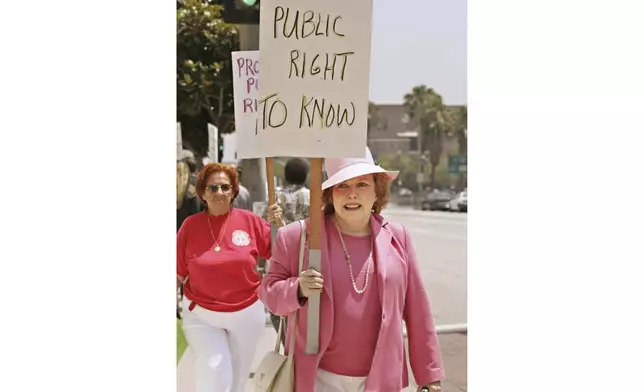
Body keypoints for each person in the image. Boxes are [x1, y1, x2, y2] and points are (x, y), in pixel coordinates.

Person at [259, 147, 445, 391]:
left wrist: (429, 373)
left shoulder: (398, 237)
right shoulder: (296, 237)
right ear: (329, 194)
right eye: (342, 186)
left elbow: (417, 309)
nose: (352, 195)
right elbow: (268, 294)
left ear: (377, 191)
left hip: (380, 379)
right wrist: (298, 289)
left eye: (362, 185)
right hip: (318, 379)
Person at [177, 162, 284, 392]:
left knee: (236, 379)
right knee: (214, 368)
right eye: (212, 188)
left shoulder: (250, 221)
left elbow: (279, 253)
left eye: (225, 187)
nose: (219, 193)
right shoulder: (189, 226)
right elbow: (177, 271)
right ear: (202, 193)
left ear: (234, 191)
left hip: (246, 311)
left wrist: (278, 226)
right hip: (202, 314)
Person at [265, 158, 311, 346]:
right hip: (306, 257)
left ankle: (286, 343)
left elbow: (264, 227)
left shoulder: (274, 198)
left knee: (279, 303)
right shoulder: (313, 196)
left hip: (279, 258)